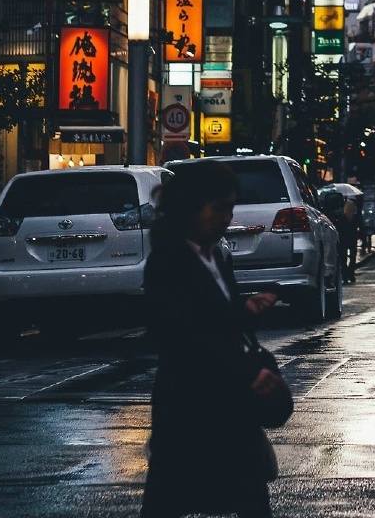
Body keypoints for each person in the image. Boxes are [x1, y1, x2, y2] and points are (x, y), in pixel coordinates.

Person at [140, 161, 281, 518]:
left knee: (250, 495)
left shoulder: (216, 254)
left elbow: (216, 316)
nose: (226, 219)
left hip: (229, 405)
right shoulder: (169, 259)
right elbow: (180, 332)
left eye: (230, 209)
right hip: (188, 404)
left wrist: (246, 310)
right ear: (189, 206)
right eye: (218, 209)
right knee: (168, 498)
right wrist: (245, 373)